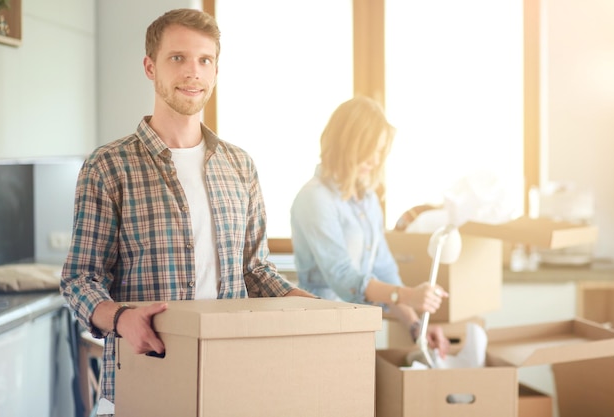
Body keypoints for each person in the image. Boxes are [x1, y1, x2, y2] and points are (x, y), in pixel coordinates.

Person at [60, 8, 314, 415]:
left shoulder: (240, 165)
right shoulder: (109, 165)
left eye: (205, 60)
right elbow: (80, 280)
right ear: (150, 67)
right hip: (144, 377)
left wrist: (312, 307)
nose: (193, 72)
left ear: (215, 71)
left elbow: (255, 270)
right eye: (177, 58)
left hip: (231, 378)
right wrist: (122, 318)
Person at [290, 96, 450, 356]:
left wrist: (416, 326)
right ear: (347, 144)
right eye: (370, 150)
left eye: (380, 152)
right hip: (319, 329)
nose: (375, 161)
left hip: (358, 328)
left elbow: (384, 270)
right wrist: (408, 295)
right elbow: (343, 278)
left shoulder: (368, 200)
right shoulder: (314, 198)